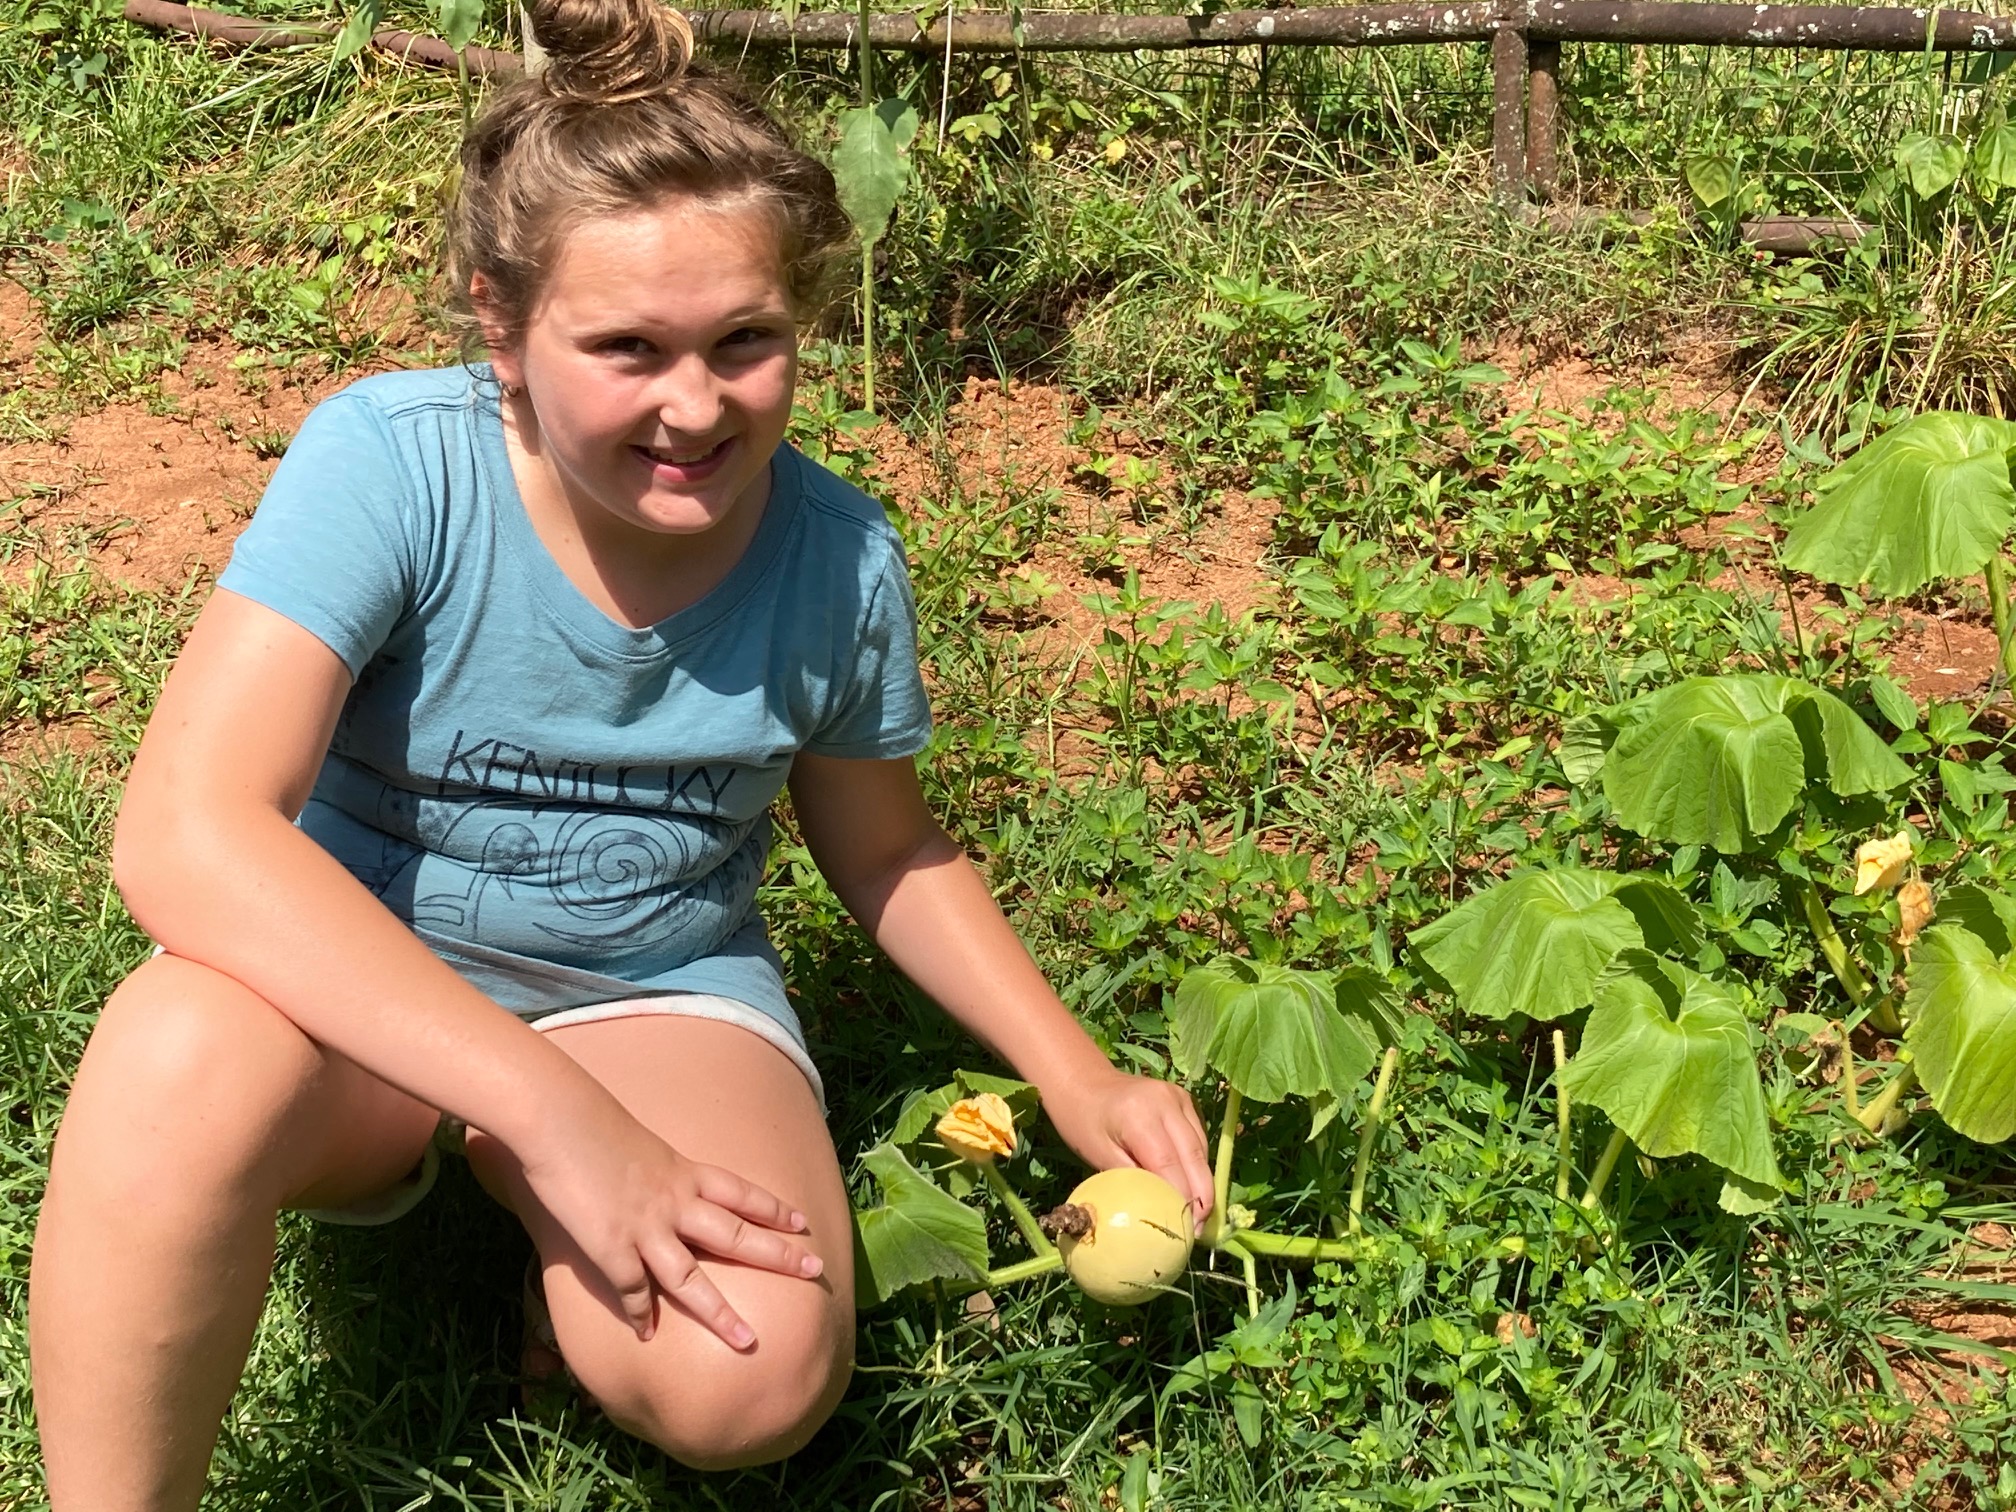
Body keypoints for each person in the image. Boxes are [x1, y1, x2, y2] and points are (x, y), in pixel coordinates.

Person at [25, 0, 1215, 1502]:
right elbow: (186, 831)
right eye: (628, 349)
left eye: (747, 343)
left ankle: (549, 1247)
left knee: (752, 1378)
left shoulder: (837, 562)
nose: (695, 405)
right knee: (173, 1051)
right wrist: (554, 1113)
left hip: (642, 986)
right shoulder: (396, 466)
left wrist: (1073, 1070)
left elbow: (891, 847)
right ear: (503, 328)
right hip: (351, 994)